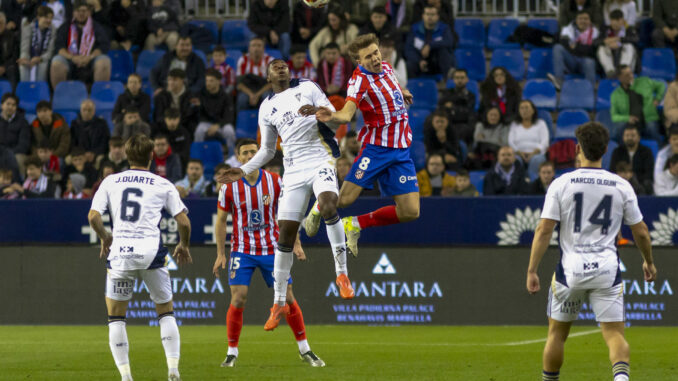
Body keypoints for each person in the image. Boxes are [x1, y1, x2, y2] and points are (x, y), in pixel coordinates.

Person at [217, 60, 355, 330]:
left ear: (289, 72)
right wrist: (242, 171)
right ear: (268, 76)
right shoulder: (267, 107)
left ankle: (342, 275)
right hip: (292, 170)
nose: (280, 67)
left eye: (284, 65)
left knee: (328, 206)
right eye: (274, 66)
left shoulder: (308, 86)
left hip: (320, 159)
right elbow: (268, 150)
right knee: (286, 234)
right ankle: (278, 302)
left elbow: (335, 114)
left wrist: (318, 111)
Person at [526, 121, 656, 381]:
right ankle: (621, 379)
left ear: (577, 149)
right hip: (607, 269)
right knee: (614, 335)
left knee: (556, 335)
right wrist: (648, 262)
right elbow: (640, 231)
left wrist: (532, 270)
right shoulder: (620, 185)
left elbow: (543, 230)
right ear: (605, 150)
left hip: (570, 271)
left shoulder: (561, 183)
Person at [301, 34, 418, 257]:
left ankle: (355, 224)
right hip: (376, 149)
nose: (375, 58)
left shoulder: (385, 65)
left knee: (410, 211)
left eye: (376, 52)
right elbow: (346, 114)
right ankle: (317, 207)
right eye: (368, 56)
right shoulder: (358, 81)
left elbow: (390, 82)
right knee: (343, 200)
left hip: (401, 149)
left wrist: (401, 92)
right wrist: (331, 115)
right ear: (358, 61)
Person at [88, 133, 192, 381]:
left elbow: (93, 217)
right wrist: (184, 245)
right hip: (151, 252)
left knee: (116, 317)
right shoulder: (162, 183)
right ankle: (173, 369)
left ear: (126, 155)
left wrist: (105, 236)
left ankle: (126, 376)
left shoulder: (110, 181)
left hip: (121, 252)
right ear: (151, 156)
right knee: (165, 312)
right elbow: (184, 222)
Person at [212, 139, 325, 368]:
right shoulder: (229, 186)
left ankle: (305, 349)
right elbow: (221, 221)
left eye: (254, 152)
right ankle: (232, 352)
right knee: (238, 297)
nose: (250, 156)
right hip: (242, 250)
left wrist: (296, 243)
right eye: (245, 153)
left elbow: (290, 213)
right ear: (239, 157)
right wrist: (220, 254)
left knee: (289, 297)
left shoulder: (275, 182)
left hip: (273, 249)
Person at [50, 0, 111, 89]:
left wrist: (89, 57)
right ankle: (60, 95)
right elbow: (59, 47)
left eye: (84, 11)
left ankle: (99, 95)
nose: (81, 14)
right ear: (74, 13)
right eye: (78, 11)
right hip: (70, 60)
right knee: (56, 62)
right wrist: (73, 58)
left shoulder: (96, 27)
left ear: (89, 12)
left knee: (104, 61)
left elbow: (103, 46)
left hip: (90, 60)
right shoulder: (66, 27)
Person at [610, 65, 665, 143]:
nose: (631, 76)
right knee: (619, 128)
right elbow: (614, 116)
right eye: (627, 75)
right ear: (620, 78)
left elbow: (662, 85)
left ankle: (659, 150)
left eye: (631, 73)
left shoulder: (645, 81)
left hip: (648, 119)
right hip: (630, 123)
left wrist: (658, 99)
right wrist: (627, 118)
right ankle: (621, 150)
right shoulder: (615, 94)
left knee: (651, 127)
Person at [550, 10, 599, 89]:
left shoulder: (595, 32)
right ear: (576, 20)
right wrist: (583, 48)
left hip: (585, 63)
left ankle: (590, 90)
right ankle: (559, 81)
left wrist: (575, 47)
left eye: (586, 19)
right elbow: (564, 44)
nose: (583, 21)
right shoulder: (568, 29)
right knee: (557, 48)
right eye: (580, 19)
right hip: (571, 61)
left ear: (590, 21)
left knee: (589, 61)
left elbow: (592, 51)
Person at [404, 4, 454, 79]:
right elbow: (408, 48)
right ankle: (412, 86)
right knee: (409, 64)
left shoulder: (444, 28)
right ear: (423, 16)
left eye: (432, 14)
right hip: (420, 60)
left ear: (438, 16)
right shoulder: (414, 29)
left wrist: (430, 46)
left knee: (444, 52)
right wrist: (419, 61)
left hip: (437, 61)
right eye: (427, 14)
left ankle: (446, 82)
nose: (430, 17)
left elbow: (449, 42)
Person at [508, 100, 550, 179]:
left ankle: (533, 183)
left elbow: (545, 142)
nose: (524, 110)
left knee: (537, 159)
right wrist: (519, 152)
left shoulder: (541, 123)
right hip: (518, 154)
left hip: (536, 154)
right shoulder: (514, 124)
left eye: (527, 108)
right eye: (522, 108)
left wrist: (534, 153)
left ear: (533, 110)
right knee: (514, 160)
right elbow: (511, 142)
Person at [195, 68, 235, 151]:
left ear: (218, 81)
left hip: (222, 125)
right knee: (199, 131)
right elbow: (199, 114)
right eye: (207, 81)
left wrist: (217, 125)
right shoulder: (201, 95)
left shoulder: (225, 96)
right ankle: (198, 156)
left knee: (229, 131)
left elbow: (229, 116)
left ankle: (231, 157)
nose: (208, 83)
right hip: (206, 124)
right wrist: (209, 125)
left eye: (211, 81)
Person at [609, 124, 654, 194]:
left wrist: (632, 176)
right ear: (623, 137)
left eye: (633, 135)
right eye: (627, 135)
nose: (629, 138)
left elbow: (648, 173)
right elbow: (612, 170)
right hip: (620, 183)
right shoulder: (617, 151)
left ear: (639, 137)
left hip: (640, 185)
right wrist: (623, 176)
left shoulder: (646, 152)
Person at [596, 9, 638, 79]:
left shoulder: (628, 29)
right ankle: (610, 71)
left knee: (629, 46)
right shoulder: (605, 30)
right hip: (611, 55)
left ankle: (623, 71)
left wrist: (619, 40)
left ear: (622, 21)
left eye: (618, 21)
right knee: (601, 48)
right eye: (612, 21)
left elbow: (635, 39)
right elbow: (595, 42)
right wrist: (605, 41)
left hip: (626, 59)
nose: (615, 24)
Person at [153, 68, 198, 134]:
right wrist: (169, 123)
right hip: (165, 125)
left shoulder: (191, 96)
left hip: (184, 125)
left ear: (182, 81)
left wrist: (176, 123)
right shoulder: (161, 95)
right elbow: (158, 116)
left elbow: (190, 115)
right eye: (169, 80)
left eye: (174, 80)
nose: (171, 82)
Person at [235, 36, 273, 112]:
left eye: (259, 45)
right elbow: (239, 84)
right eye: (253, 45)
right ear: (249, 48)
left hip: (264, 88)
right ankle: (242, 121)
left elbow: (272, 83)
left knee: (267, 98)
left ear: (263, 48)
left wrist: (257, 95)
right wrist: (251, 94)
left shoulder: (270, 61)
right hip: (248, 88)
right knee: (242, 100)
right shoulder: (243, 60)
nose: (256, 48)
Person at [18, 6, 56, 82]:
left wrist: (40, 58)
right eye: (46, 17)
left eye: (51, 18)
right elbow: (24, 47)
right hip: (30, 56)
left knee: (43, 66)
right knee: (23, 64)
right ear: (38, 17)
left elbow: (50, 51)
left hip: (43, 58)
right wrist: (26, 59)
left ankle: (40, 91)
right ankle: (25, 89)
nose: (49, 20)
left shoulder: (53, 30)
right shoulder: (28, 27)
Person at [70, 99, 110, 165]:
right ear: (80, 111)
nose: (86, 112)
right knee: (68, 159)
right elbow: (73, 143)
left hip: (97, 154)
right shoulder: (74, 124)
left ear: (94, 111)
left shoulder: (102, 123)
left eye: (89, 110)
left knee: (100, 159)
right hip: (79, 154)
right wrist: (82, 154)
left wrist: (94, 153)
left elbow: (105, 142)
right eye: (84, 110)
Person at [0, 93, 30, 173]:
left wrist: (8, 153)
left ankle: (21, 184)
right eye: (8, 104)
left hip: (15, 152)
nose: (10, 107)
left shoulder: (23, 122)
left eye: (13, 105)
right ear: (2, 105)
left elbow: (24, 145)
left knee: (20, 158)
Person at [0, 12, 19, 87]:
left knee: (12, 70)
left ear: (5, 24)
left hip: (8, 66)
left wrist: (4, 67)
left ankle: (12, 96)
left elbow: (14, 55)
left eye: (0, 23)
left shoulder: (12, 36)